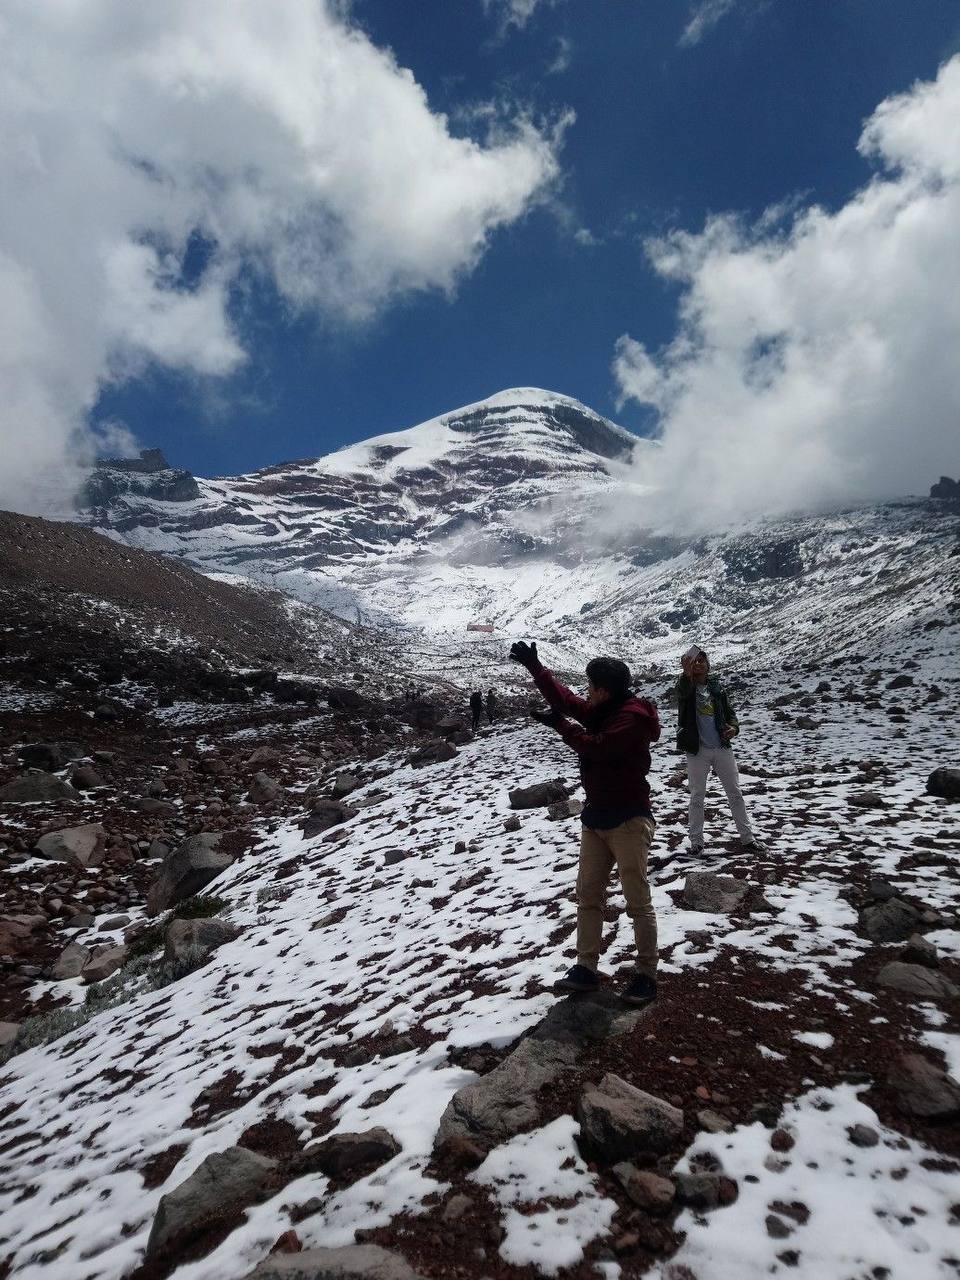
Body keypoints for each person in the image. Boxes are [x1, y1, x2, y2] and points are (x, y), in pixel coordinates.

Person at [509, 640, 661, 1006]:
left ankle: (646, 974)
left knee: (637, 900)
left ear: (603, 691)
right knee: (588, 896)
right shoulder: (605, 708)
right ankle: (586, 968)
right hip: (596, 818)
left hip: (628, 818)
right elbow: (565, 700)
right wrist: (535, 666)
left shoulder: (630, 720)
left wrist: (560, 726)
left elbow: (596, 747)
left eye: (590, 687)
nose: (585, 694)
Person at [676, 646, 760, 854]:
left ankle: (747, 839)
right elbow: (682, 694)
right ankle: (696, 843)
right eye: (695, 661)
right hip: (697, 749)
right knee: (697, 795)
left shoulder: (717, 687)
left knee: (735, 793)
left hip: (722, 746)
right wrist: (686, 675)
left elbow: (730, 713)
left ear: (708, 664)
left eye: (702, 660)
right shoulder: (685, 685)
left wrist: (734, 728)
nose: (698, 663)